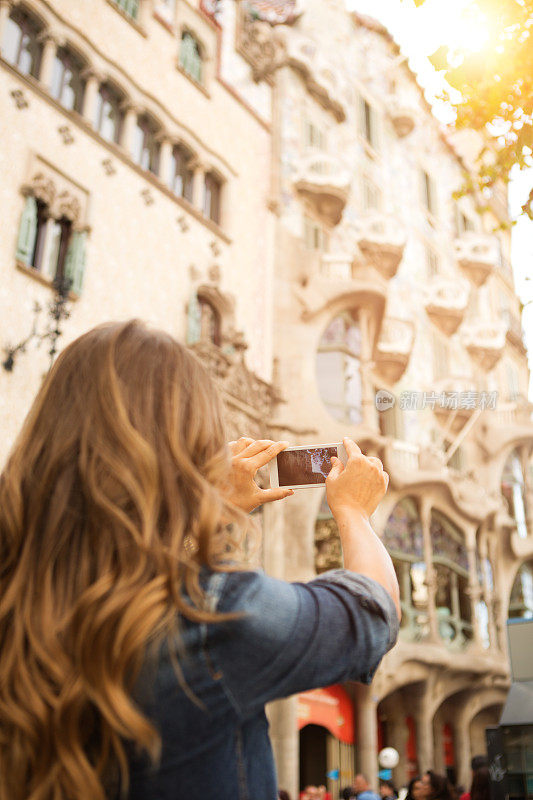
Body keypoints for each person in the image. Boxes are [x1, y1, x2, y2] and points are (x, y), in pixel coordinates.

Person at [0, 320, 400, 800]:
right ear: (185, 448)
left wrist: (211, 509)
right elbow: (373, 614)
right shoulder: (211, 615)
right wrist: (354, 512)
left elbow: (125, 559)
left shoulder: (16, 585)